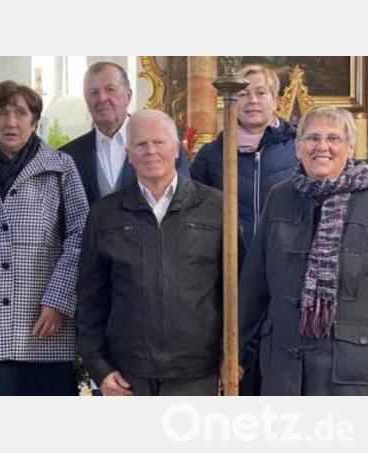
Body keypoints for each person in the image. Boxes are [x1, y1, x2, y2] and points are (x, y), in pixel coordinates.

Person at [0, 80, 89, 395]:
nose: (10, 122)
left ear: (34, 121)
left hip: (44, 323)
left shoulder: (61, 167)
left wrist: (58, 300)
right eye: (2, 113)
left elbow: (81, 234)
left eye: (20, 113)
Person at [76, 110, 223, 396]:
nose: (150, 151)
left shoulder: (215, 208)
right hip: (127, 372)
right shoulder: (105, 214)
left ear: (177, 149)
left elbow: (236, 290)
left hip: (196, 370)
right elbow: (90, 297)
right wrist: (99, 367)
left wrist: (234, 356)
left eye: (159, 142)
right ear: (129, 154)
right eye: (140, 144)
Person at [239, 106, 368, 395]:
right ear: (298, 148)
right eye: (312, 138)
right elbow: (254, 284)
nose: (322, 147)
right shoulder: (279, 196)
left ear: (350, 147)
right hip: (283, 366)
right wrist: (236, 351)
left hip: (349, 373)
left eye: (333, 138)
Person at [191, 64, 297, 247]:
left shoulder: (298, 148)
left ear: (275, 101)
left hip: (283, 254)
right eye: (243, 94)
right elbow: (192, 211)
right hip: (230, 256)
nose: (252, 100)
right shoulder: (211, 154)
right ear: (233, 101)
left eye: (261, 93)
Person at [60, 61, 189, 206]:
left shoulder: (165, 146)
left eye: (110, 89)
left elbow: (183, 201)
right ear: (86, 99)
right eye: (93, 92)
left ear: (128, 95)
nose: (102, 98)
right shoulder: (69, 156)